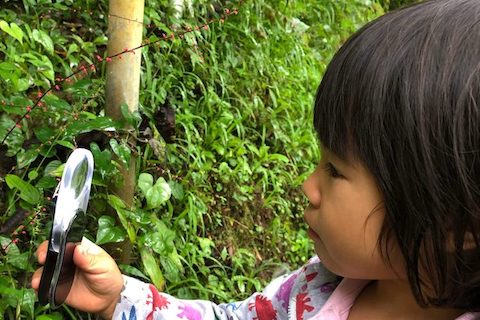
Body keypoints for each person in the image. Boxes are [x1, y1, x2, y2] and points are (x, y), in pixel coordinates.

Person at [32, 0, 480, 318]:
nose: (308, 185)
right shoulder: (316, 290)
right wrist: (121, 301)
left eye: (337, 170)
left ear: (455, 223)